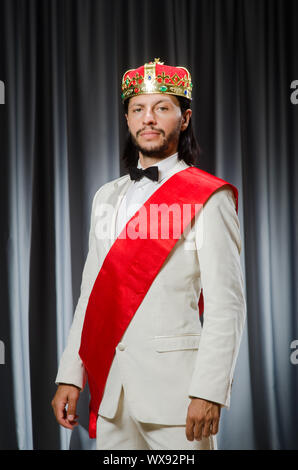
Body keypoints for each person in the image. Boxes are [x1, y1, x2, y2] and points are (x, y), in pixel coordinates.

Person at [51, 59, 246, 450]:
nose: (149, 119)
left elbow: (228, 305)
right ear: (127, 119)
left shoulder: (210, 197)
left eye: (162, 108)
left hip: (179, 396)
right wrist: (71, 373)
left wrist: (209, 391)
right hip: (113, 393)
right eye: (139, 109)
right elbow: (91, 292)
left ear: (184, 117)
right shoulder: (106, 196)